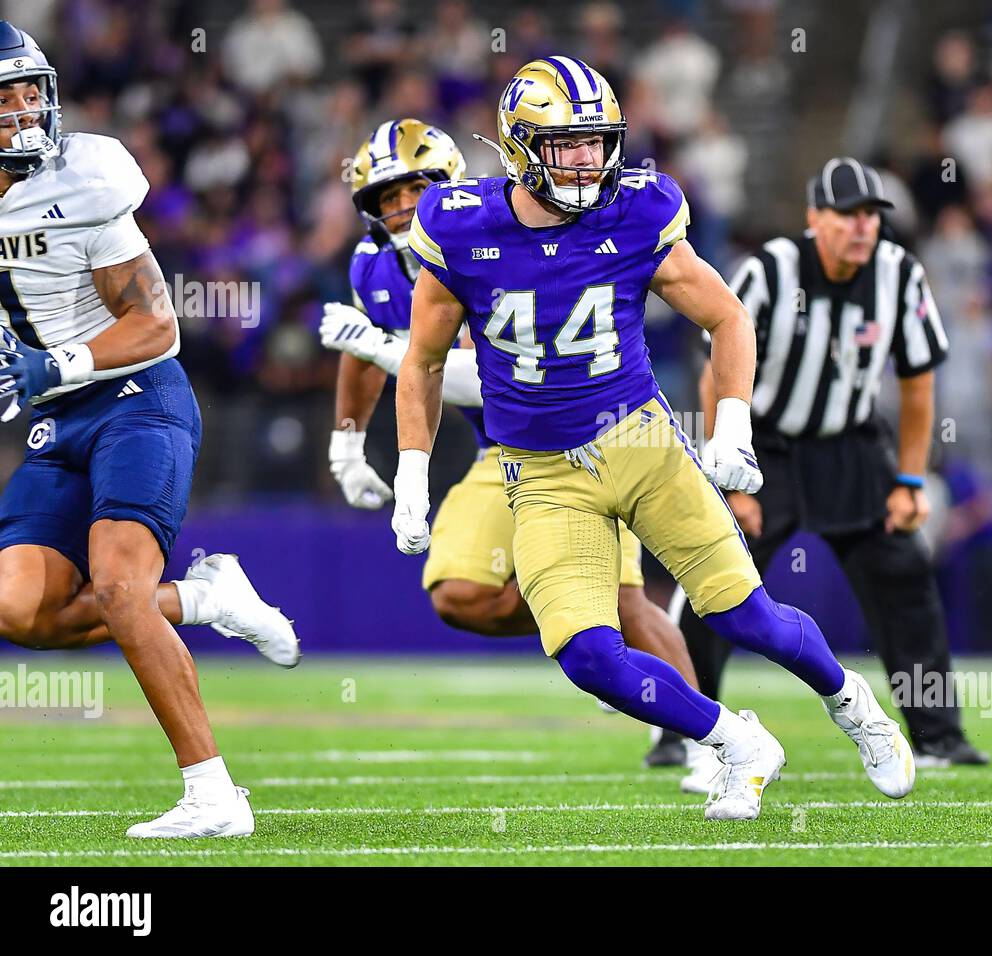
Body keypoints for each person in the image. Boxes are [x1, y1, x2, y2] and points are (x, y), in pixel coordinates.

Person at [391, 56, 914, 820]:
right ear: (519, 148)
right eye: (566, 145)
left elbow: (728, 315)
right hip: (540, 471)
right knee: (588, 657)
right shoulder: (459, 223)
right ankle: (736, 742)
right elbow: (424, 361)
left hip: (640, 445)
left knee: (744, 614)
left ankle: (855, 706)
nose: (587, 161)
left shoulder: (636, 211)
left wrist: (732, 425)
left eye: (597, 143)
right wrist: (412, 472)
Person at [319, 118, 702, 774]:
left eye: (416, 187)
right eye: (387, 197)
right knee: (458, 592)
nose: (404, 206)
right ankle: (590, 634)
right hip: (501, 453)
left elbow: (479, 376)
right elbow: (361, 353)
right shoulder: (372, 264)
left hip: (581, 434)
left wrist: (382, 348)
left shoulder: (488, 243)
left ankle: (701, 738)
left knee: (626, 600)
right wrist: (345, 444)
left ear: (451, 187)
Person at [0, 22, 299, 838]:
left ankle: (214, 796)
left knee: (122, 587)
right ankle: (206, 596)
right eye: (5, 98)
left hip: (135, 395)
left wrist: (51, 363)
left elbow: (156, 325)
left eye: (33, 93)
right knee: (22, 609)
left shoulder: (84, 177)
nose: (26, 114)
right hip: (59, 418)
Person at [674, 157, 989, 768]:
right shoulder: (771, 269)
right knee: (717, 576)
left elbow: (918, 381)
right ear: (816, 217)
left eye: (871, 215)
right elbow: (715, 368)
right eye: (847, 214)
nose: (862, 226)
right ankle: (687, 728)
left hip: (851, 444)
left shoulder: (899, 273)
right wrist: (728, 471)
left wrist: (911, 480)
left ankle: (938, 735)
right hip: (769, 443)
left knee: (904, 572)